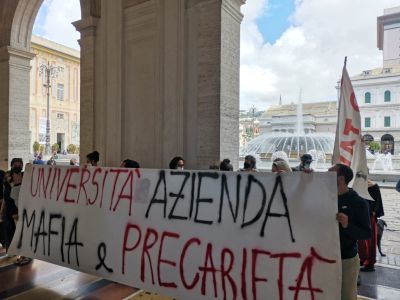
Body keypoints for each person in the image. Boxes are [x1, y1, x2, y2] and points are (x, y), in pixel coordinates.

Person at [328, 164, 371, 300]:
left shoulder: (358, 202)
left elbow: (366, 233)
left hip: (346, 260)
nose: (324, 176)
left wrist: (347, 225)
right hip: (324, 258)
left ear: (340, 179)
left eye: (329, 174)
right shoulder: (324, 197)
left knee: (346, 296)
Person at [358, 179, 384, 272]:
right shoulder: (356, 185)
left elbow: (377, 203)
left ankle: (370, 263)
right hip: (360, 215)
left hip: (369, 216)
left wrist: (373, 213)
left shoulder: (373, 186)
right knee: (361, 240)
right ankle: (362, 259)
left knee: (370, 240)